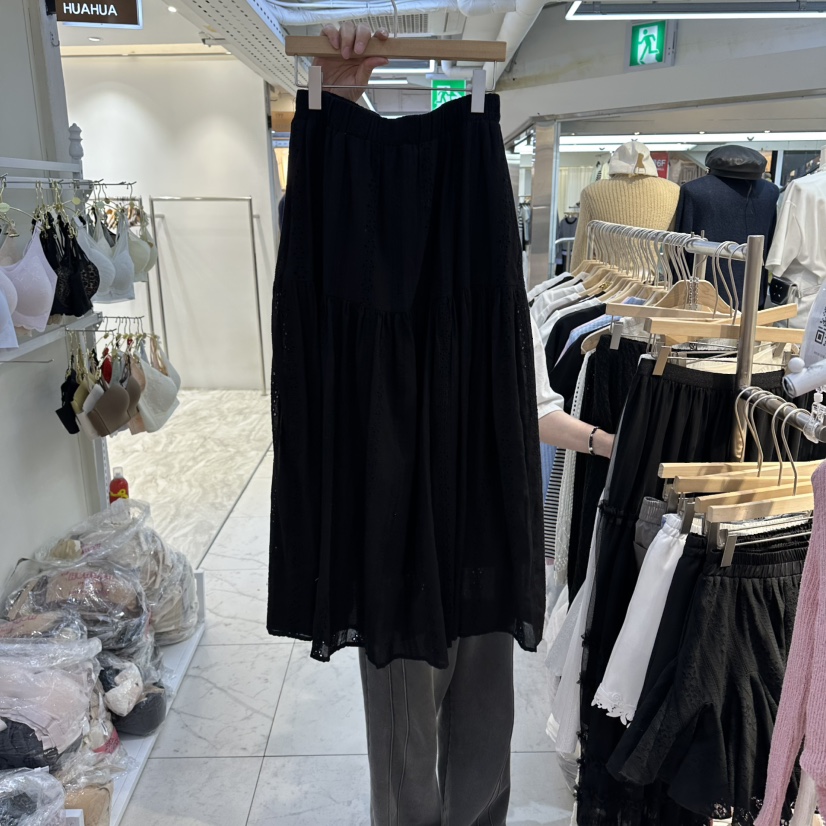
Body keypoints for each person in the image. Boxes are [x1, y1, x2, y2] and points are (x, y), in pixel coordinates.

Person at [305, 24, 616, 824]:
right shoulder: (349, 292)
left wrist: (603, 440)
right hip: (392, 533)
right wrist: (336, 101)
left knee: (482, 727)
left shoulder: (493, 301)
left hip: (478, 521)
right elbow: (313, 242)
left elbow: (531, 402)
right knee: (405, 735)